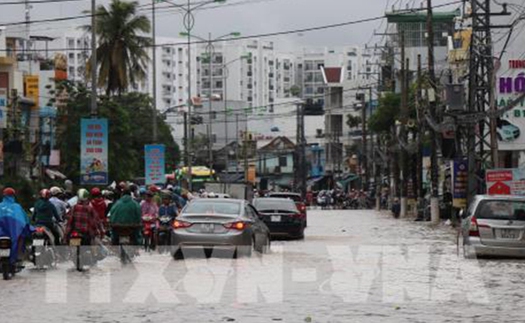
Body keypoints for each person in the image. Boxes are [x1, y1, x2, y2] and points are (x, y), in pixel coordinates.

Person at [0, 188, 33, 267]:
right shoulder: (17, 207)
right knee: (21, 237)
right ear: (13, 196)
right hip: (13, 233)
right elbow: (25, 220)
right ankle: (18, 255)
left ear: (4, 195)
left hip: (1, 233)